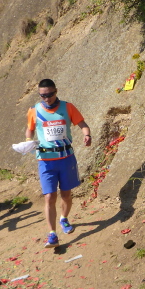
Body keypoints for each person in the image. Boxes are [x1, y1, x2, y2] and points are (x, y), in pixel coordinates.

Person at [26, 78, 91, 248]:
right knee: (49, 197)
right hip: (46, 161)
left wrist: (87, 134)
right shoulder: (34, 110)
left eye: (50, 94)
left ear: (56, 91)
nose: (47, 98)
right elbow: (30, 129)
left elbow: (82, 124)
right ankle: (52, 234)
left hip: (66, 158)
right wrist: (28, 141)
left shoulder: (67, 107)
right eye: (43, 96)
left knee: (66, 195)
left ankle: (64, 218)